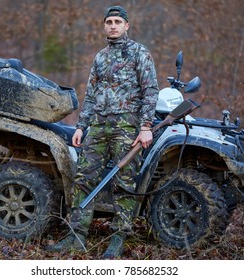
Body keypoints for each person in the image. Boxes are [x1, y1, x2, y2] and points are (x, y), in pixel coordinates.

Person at [46, 5, 159, 259]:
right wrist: (81, 126)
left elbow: (151, 91)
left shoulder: (140, 53)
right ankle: (75, 237)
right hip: (97, 126)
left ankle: (118, 238)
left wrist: (145, 127)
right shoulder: (100, 57)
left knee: (124, 183)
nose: (113, 25)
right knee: (83, 179)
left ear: (126, 26)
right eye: (109, 21)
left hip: (127, 127)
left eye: (118, 21)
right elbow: (91, 95)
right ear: (104, 26)